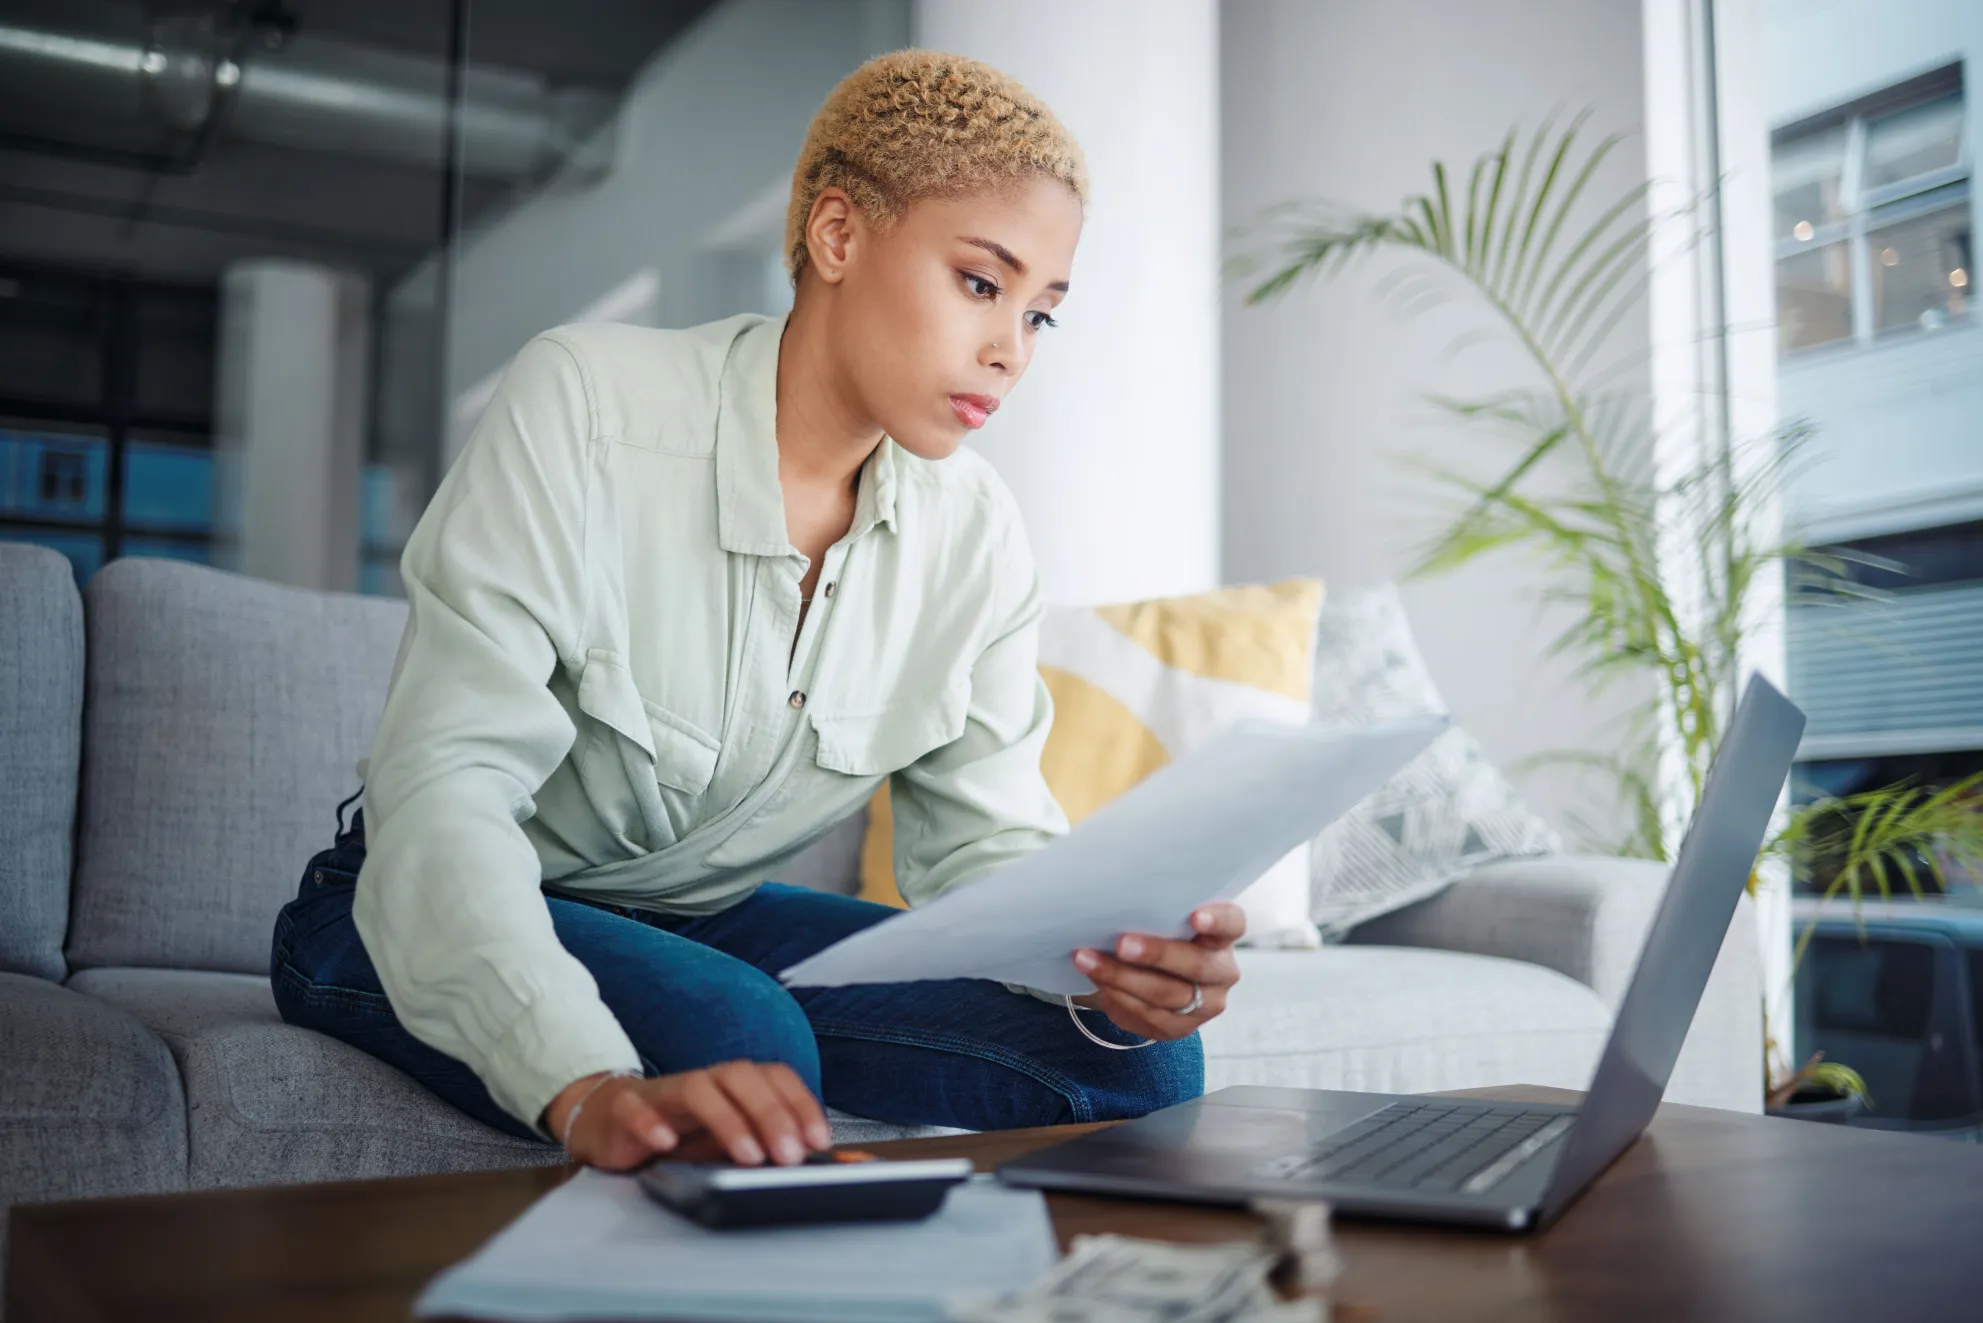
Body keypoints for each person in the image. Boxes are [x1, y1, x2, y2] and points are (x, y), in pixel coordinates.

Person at [270, 49, 1244, 1174]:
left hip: (699, 927)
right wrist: (579, 1080)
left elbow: (983, 846)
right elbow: (443, 796)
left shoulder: (975, 532)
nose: (1009, 350)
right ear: (837, 236)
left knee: (1138, 1062)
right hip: (411, 904)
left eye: (1042, 315)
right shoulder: (585, 402)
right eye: (981, 283)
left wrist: (1116, 965)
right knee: (744, 1038)